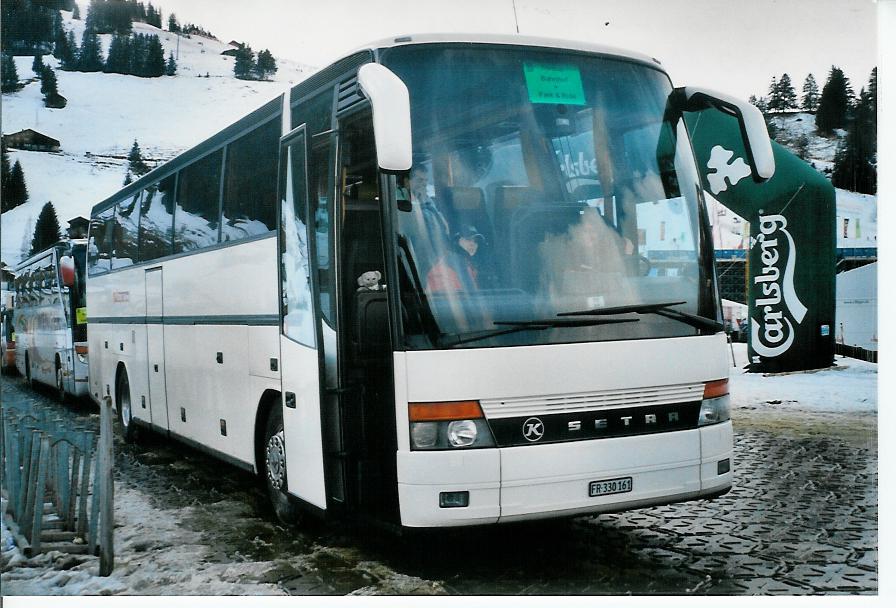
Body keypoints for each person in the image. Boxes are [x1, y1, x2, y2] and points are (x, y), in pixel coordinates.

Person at [426, 225, 487, 292]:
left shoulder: (469, 267)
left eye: (475, 241)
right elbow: (444, 300)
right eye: (468, 239)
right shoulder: (443, 271)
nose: (473, 244)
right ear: (456, 241)